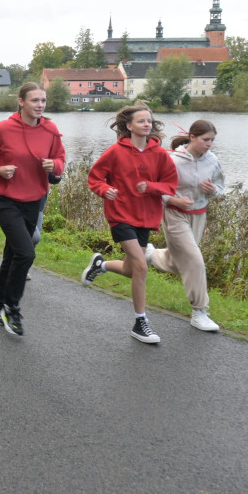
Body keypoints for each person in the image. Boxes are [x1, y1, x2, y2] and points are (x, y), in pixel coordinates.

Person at [82, 102, 178, 345]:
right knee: (142, 266)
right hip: (120, 214)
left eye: (149, 121)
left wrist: (151, 187)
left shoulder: (160, 154)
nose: (147, 124)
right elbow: (95, 177)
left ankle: (100, 266)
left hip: (146, 216)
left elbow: (170, 185)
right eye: (141, 121)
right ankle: (140, 322)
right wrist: (105, 190)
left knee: (130, 269)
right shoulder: (115, 152)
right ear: (129, 126)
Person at [0, 82, 65, 337]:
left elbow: (60, 159)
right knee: (26, 253)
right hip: (6, 200)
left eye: (43, 101)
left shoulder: (51, 129)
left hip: (34, 200)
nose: (40, 105)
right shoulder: (4, 128)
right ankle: (12, 306)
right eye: (35, 100)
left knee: (13, 253)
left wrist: (54, 166)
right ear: (21, 102)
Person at [146, 120, 225, 332]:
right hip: (174, 214)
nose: (209, 144)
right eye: (205, 140)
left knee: (178, 261)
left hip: (199, 215)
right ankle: (200, 312)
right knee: (195, 261)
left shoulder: (213, 160)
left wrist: (212, 190)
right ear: (192, 137)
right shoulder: (173, 160)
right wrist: (172, 200)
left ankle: (151, 256)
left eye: (212, 140)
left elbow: (220, 187)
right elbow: (156, 188)